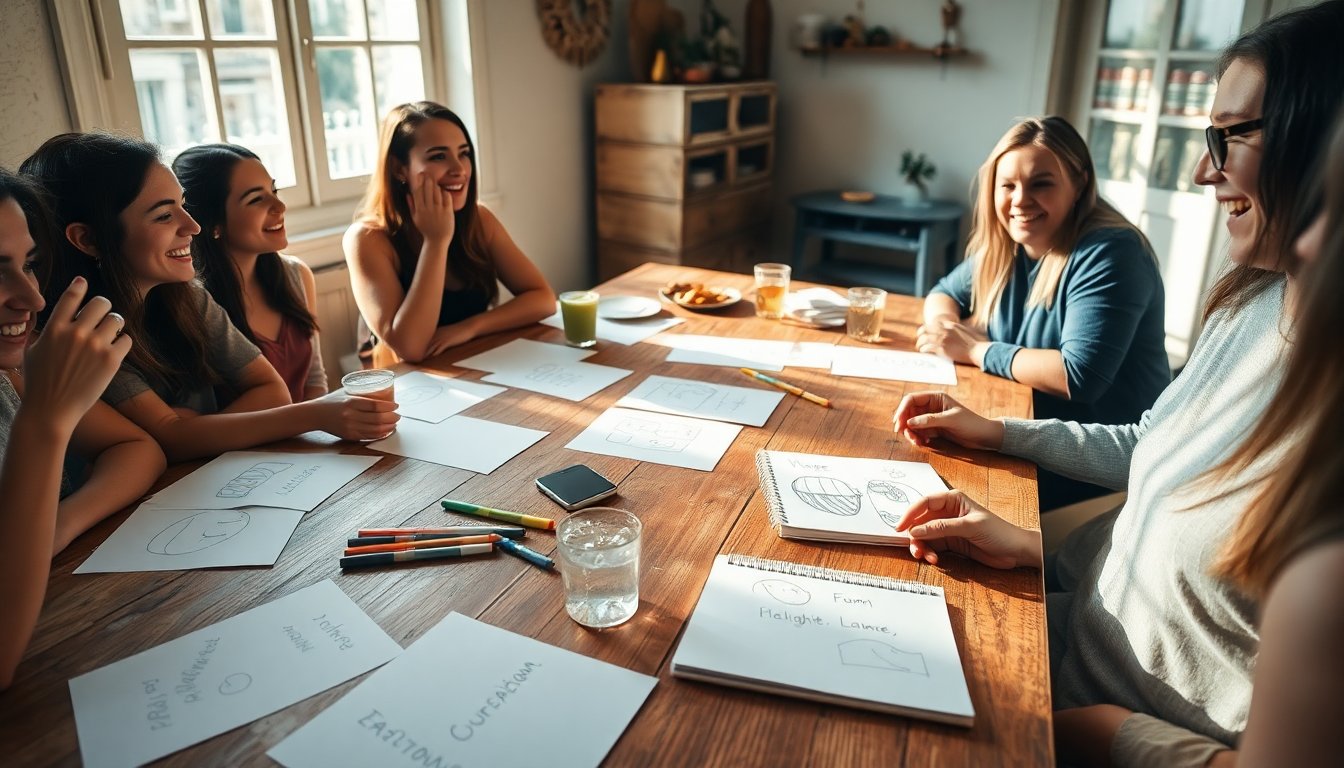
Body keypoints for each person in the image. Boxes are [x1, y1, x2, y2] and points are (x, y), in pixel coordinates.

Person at [891, 2, 1344, 764]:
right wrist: (1021, 525)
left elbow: (1079, 373)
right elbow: (1152, 448)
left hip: (1091, 723)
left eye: (1231, 136)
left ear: (1324, 141)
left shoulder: (1109, 252)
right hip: (1063, 635)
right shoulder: (1252, 302)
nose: (1204, 168)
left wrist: (1101, 733)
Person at [20, 133, 398, 462]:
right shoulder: (83, 333)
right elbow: (170, 437)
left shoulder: (188, 299)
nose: (192, 226)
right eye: (164, 216)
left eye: (183, 205)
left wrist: (195, 429)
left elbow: (272, 391)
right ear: (88, 239)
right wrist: (318, 414)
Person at [920, 116, 1168, 509]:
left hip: (1103, 474)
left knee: (935, 484)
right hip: (1033, 435)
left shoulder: (1112, 253)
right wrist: (945, 328)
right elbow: (943, 292)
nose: (1020, 200)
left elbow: (1079, 375)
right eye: (1008, 186)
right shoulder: (1013, 246)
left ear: (1080, 183)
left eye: (1041, 183)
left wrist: (975, 350)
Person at [0, 168, 165, 689]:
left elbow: (137, 447)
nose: (32, 299)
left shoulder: (12, 372)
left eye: (29, 265)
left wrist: (57, 525)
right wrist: (45, 422)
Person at [345, 102, 555, 366]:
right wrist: (436, 241)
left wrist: (469, 328)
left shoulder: (479, 220)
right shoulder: (367, 239)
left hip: (476, 364)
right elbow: (411, 348)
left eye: (464, 153)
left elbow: (543, 299)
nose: (459, 169)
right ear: (399, 169)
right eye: (438, 156)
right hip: (409, 386)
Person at [173, 144, 327, 402]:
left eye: (274, 190)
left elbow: (315, 381)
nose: (279, 206)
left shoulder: (296, 275)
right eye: (256, 199)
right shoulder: (193, 305)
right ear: (213, 225)